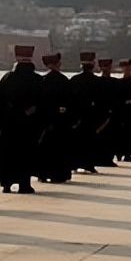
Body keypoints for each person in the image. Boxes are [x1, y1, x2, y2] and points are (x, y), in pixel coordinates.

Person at [0, 45, 46, 193]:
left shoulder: (7, 78)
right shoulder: (38, 79)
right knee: (25, 153)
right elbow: (43, 103)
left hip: (9, 123)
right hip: (29, 124)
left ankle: (6, 183)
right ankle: (24, 184)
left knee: (8, 152)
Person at [35, 53, 76, 184]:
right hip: (61, 120)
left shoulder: (42, 80)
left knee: (44, 148)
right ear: (58, 64)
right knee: (60, 149)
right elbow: (70, 101)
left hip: (44, 119)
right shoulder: (64, 80)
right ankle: (59, 174)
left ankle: (42, 173)